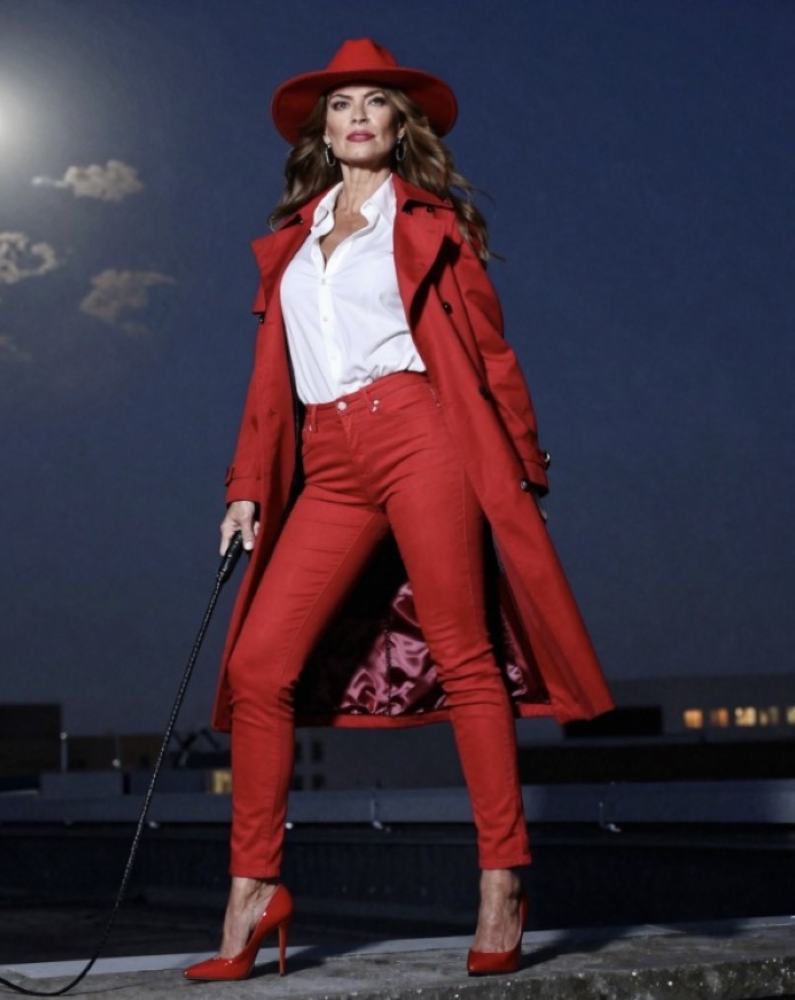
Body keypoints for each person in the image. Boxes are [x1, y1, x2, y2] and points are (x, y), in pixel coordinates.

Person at [184, 38, 613, 982]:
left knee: (463, 653)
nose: (358, 118)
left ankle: (501, 880)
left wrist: (521, 468)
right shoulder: (293, 241)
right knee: (258, 666)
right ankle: (253, 890)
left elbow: (490, 353)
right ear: (321, 132)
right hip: (328, 458)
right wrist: (246, 485)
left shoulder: (430, 224)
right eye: (341, 105)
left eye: (375, 102)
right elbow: (271, 380)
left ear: (398, 124)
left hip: (423, 433)